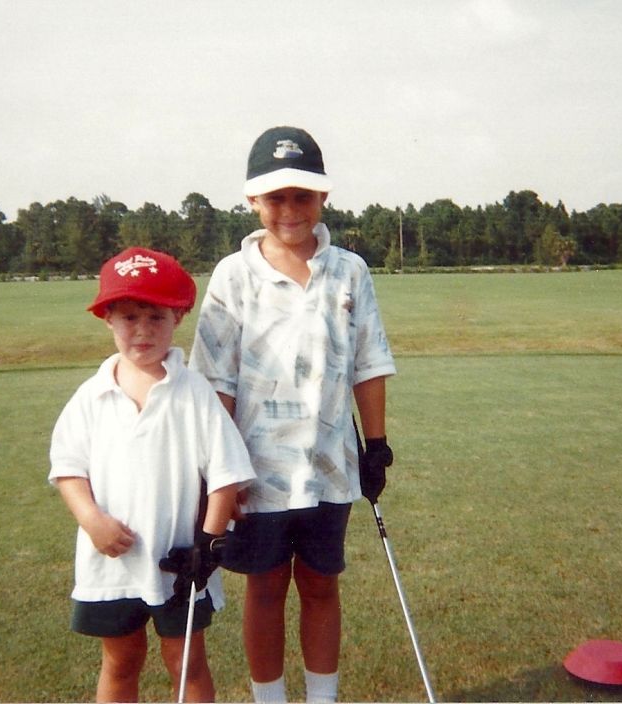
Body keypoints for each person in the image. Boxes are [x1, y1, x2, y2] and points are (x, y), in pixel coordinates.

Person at [189, 126, 397, 703]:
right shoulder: (233, 276)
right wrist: (217, 472)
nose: (290, 210)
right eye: (276, 197)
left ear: (323, 198)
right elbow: (217, 383)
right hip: (256, 473)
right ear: (253, 200)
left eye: (303, 196)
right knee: (264, 590)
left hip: (330, 466)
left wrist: (375, 446)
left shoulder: (350, 271)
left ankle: (322, 699)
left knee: (321, 586)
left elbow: (368, 362)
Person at [49, 247, 256, 703]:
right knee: (121, 663)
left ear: (178, 318)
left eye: (155, 317)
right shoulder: (91, 396)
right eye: (128, 317)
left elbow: (225, 477)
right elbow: (68, 469)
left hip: (180, 563)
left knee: (186, 663)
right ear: (107, 318)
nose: (142, 330)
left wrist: (207, 544)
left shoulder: (195, 393)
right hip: (112, 562)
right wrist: (92, 521)